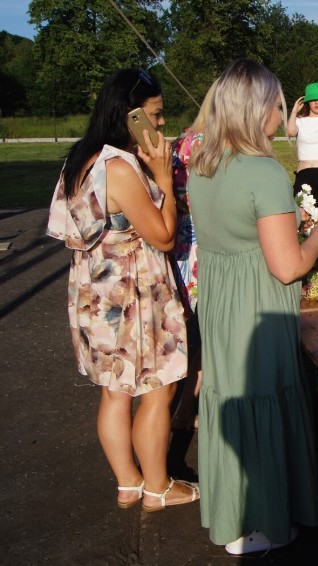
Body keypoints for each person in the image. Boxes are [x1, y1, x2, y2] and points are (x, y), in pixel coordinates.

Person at [187, 59, 318, 554]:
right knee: (265, 398)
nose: (278, 113)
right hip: (258, 306)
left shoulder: (202, 167)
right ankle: (268, 520)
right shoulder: (263, 171)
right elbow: (288, 266)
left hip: (220, 301)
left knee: (230, 399)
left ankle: (235, 517)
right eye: (275, 103)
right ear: (257, 109)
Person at [45, 69, 199, 511]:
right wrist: (164, 178)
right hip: (133, 294)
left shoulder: (83, 159)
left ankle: (128, 482)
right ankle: (158, 486)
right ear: (130, 116)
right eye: (156, 114)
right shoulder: (121, 168)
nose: (163, 124)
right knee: (158, 388)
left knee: (114, 392)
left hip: (94, 291)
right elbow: (164, 236)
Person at [169, 79, 218, 433]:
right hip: (205, 236)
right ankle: (189, 411)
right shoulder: (210, 144)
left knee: (189, 329)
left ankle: (180, 411)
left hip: (182, 239)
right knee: (203, 332)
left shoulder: (183, 139)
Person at [287, 82, 318, 220]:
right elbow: (290, 131)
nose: (317, 102)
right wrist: (293, 111)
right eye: (313, 99)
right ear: (307, 102)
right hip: (304, 175)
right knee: (303, 221)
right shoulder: (299, 121)